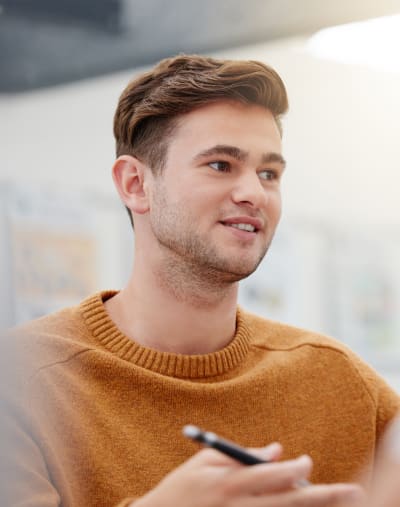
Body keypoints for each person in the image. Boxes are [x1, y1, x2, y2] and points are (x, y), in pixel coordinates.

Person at [0, 54, 399, 507]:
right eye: (220, 165)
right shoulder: (18, 382)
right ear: (135, 184)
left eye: (269, 173)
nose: (254, 193)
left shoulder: (340, 380)